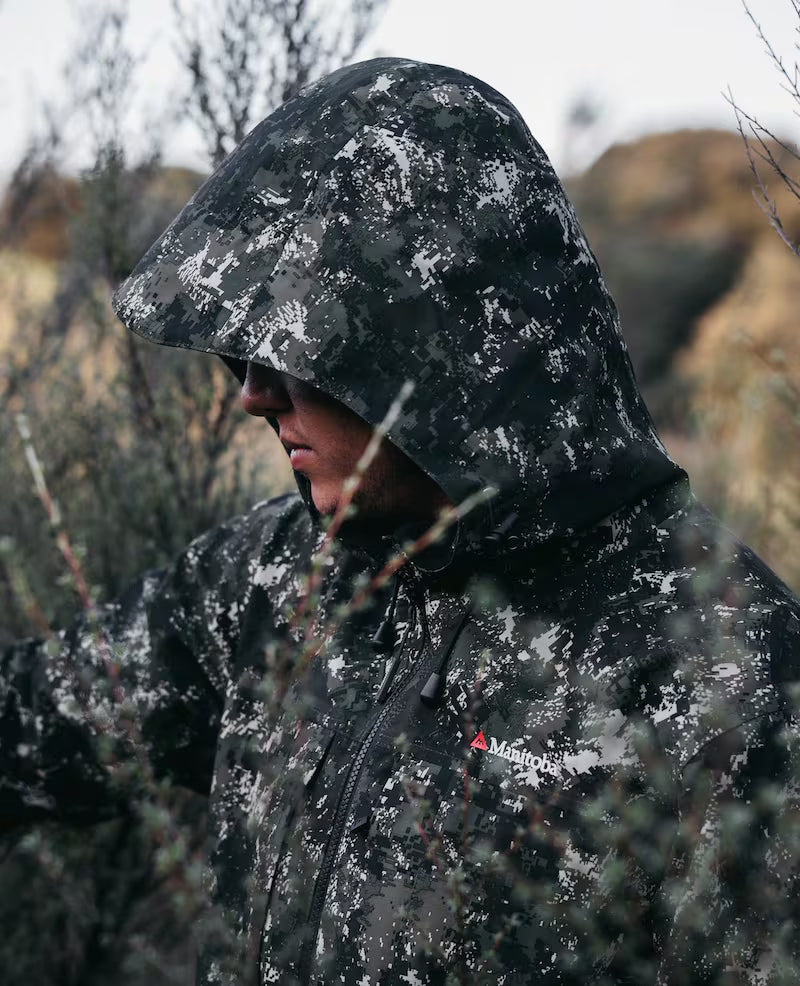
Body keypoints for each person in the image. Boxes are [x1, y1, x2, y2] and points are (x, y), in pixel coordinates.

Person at [2, 56, 800, 986]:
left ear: (432, 342)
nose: (253, 395)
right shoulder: (276, 578)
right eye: (244, 350)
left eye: (296, 345)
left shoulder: (731, 681)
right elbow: (30, 728)